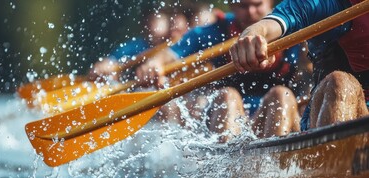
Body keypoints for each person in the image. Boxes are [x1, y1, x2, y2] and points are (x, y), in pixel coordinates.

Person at [136, 0, 308, 140]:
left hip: (283, 114)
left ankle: (275, 166)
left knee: (281, 95)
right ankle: (230, 171)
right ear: (232, 6)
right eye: (243, 6)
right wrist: (154, 64)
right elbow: (172, 53)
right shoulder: (217, 30)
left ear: (270, 3)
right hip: (232, 119)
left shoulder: (290, 23)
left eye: (257, 5)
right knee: (227, 96)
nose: (250, 12)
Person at [228, 0, 369, 131]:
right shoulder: (322, 4)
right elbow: (267, 26)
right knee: (339, 82)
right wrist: (253, 37)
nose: (251, 12)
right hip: (345, 113)